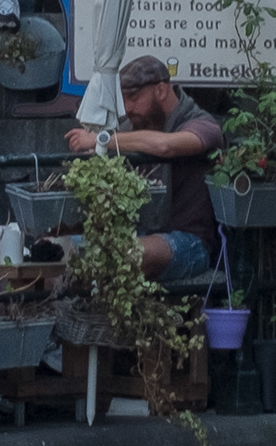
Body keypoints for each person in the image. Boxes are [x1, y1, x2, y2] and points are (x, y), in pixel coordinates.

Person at [58, 54, 223, 282]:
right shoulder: (130, 126)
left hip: (190, 242)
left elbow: (165, 146)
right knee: (55, 249)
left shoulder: (203, 124)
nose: (127, 108)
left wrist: (102, 140)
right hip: (134, 232)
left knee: (130, 252)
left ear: (161, 91)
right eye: (123, 99)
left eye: (134, 98)